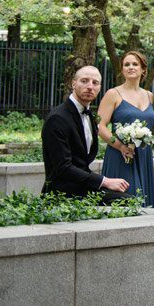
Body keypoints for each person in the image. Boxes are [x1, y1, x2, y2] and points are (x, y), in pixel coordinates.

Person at [42, 65, 133, 204]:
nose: (90, 86)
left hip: (81, 186)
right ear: (73, 83)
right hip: (61, 192)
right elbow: (63, 168)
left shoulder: (89, 115)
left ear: (99, 87)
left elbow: (81, 164)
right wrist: (105, 181)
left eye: (95, 83)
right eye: (84, 81)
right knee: (126, 202)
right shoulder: (58, 118)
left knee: (128, 198)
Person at [97, 50, 154, 207]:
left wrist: (142, 137)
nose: (131, 67)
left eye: (135, 64)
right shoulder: (113, 94)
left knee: (143, 201)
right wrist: (120, 145)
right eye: (127, 64)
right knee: (124, 200)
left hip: (143, 154)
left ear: (143, 69)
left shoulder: (150, 96)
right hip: (119, 154)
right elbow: (99, 125)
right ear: (122, 69)